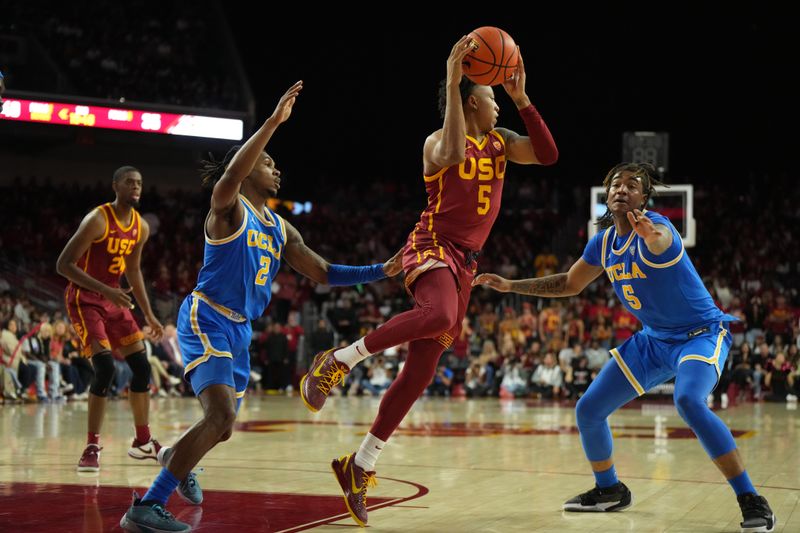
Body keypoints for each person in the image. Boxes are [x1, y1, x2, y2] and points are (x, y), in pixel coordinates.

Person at [120, 81, 402, 532]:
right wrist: (272, 123)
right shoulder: (227, 209)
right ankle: (147, 507)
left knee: (224, 426)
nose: (276, 171)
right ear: (247, 168)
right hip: (206, 315)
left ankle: (176, 457)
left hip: (240, 330)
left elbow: (324, 271)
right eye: (268, 164)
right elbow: (231, 176)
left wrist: (381, 270)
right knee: (221, 416)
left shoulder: (279, 227)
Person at [299, 35, 558, 526]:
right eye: (491, 94)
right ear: (470, 102)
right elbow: (456, 148)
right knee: (437, 315)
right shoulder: (435, 142)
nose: (497, 98)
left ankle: (360, 466)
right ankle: (337, 360)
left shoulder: (502, 141)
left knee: (422, 370)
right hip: (431, 244)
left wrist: (525, 100)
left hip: (467, 263)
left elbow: (547, 155)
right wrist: (452, 76)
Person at [473, 162, 775, 533]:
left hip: (700, 334)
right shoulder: (602, 243)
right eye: (616, 184)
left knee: (688, 401)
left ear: (644, 198)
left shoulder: (659, 228)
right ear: (606, 193)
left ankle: (750, 498)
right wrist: (510, 285)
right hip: (653, 340)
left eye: (632, 185)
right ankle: (609, 489)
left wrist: (652, 237)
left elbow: (661, 243)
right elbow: (569, 283)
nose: (621, 189)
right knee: (588, 410)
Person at [56, 166, 165, 472]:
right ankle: (91, 445)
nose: (136, 187)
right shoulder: (98, 219)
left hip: (114, 299)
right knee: (104, 369)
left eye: (140, 183)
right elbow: (63, 264)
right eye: (130, 182)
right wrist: (106, 289)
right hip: (84, 298)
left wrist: (150, 314)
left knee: (142, 368)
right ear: (115, 186)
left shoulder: (141, 227)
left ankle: (142, 442)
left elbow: (133, 271)